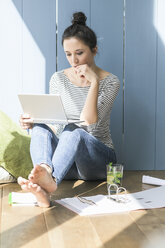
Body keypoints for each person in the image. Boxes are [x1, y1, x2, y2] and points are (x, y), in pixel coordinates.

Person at [18, 12, 120, 207]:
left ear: (94, 50)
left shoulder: (110, 82)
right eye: (68, 54)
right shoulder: (58, 79)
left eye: (79, 53)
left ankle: (49, 180)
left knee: (74, 130)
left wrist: (94, 82)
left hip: (97, 162)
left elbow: (90, 122)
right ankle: (47, 181)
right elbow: (55, 125)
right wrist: (32, 122)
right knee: (39, 126)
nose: (73, 61)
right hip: (67, 164)